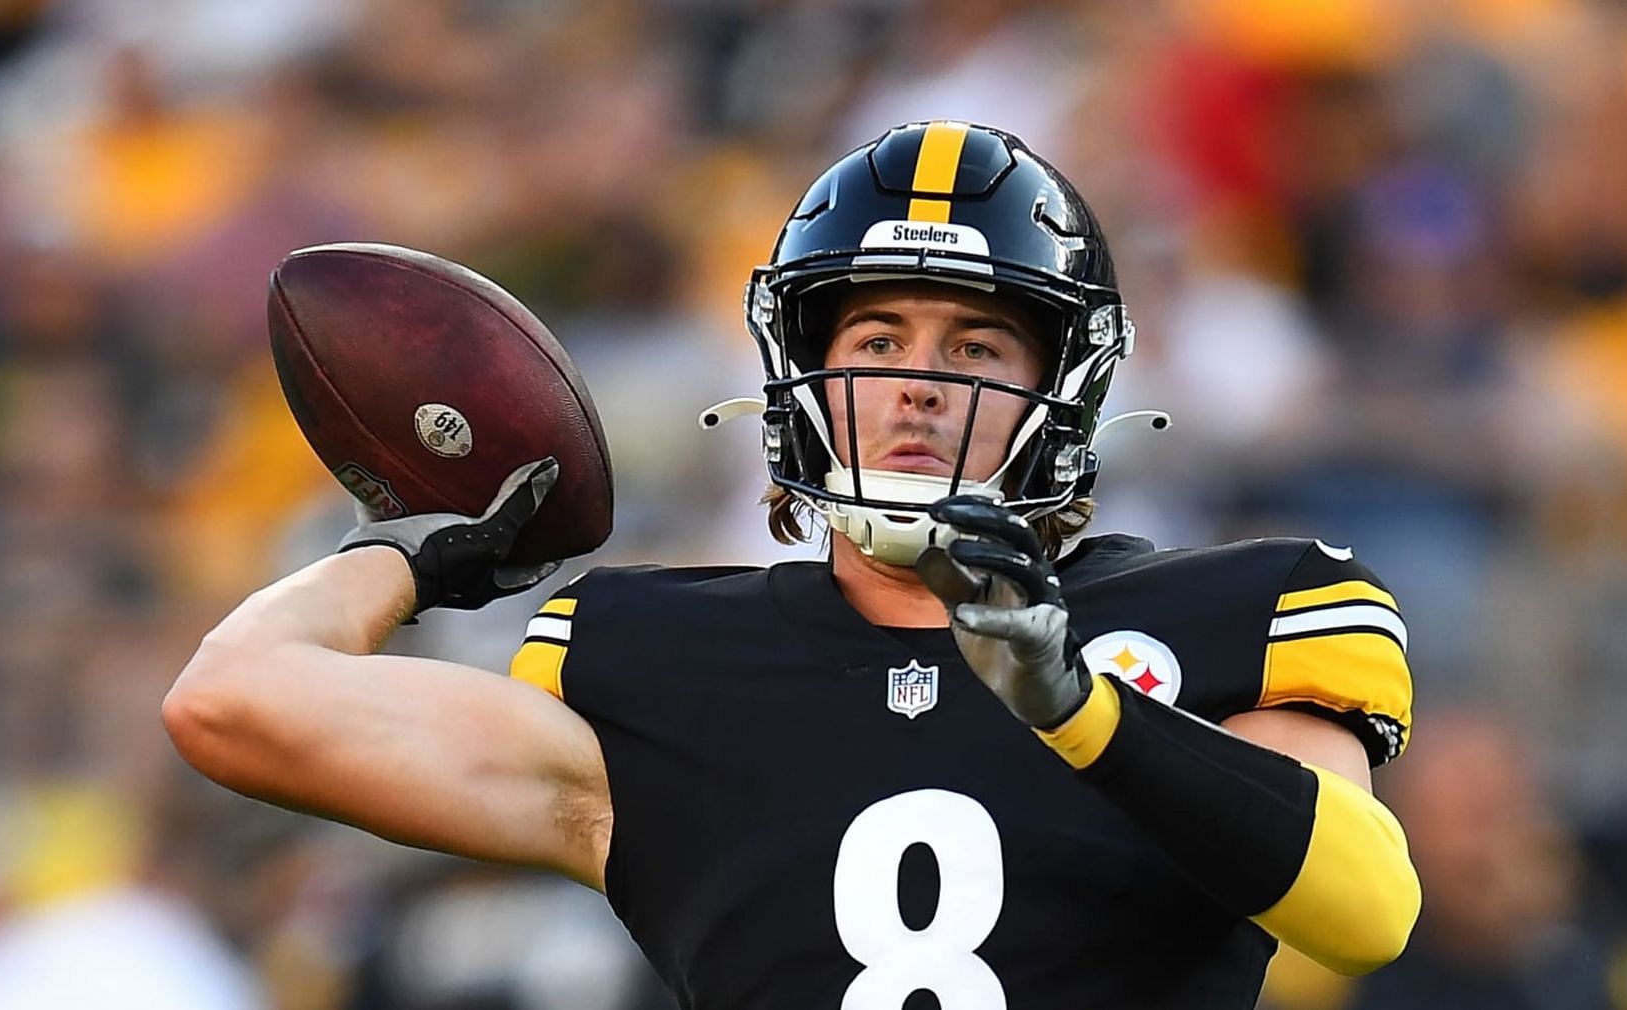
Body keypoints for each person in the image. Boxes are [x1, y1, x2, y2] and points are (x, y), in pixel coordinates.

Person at [164, 121, 1420, 1010]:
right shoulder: (657, 660)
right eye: (875, 334)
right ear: (802, 376)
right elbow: (230, 701)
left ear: (1066, 393)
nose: (917, 378)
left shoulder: (1243, 606)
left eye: (978, 346)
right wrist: (412, 551)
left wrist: (1078, 707)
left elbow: (1367, 911)